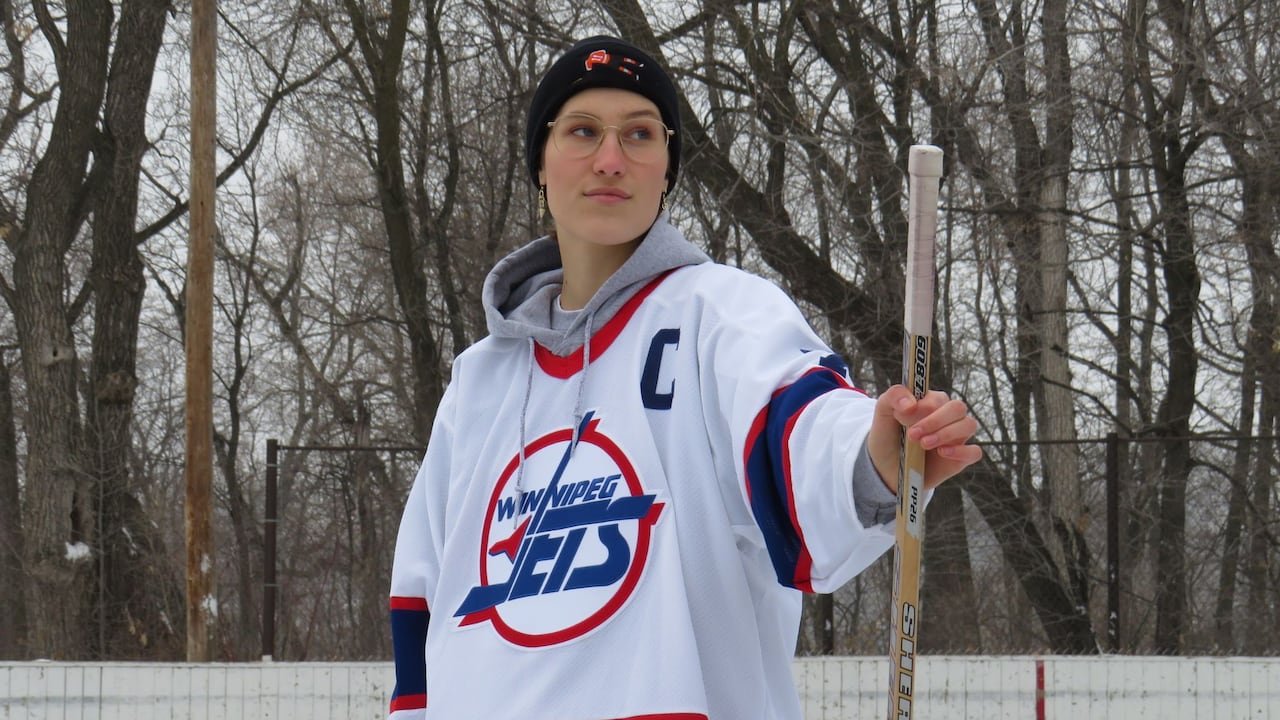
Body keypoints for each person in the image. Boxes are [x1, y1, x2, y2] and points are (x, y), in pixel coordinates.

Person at [388, 35, 982, 720]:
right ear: (541, 163)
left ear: (666, 167)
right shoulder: (477, 384)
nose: (611, 160)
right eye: (583, 132)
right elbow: (422, 605)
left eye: (640, 135)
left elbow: (799, 425)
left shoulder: (719, 316)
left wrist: (876, 454)